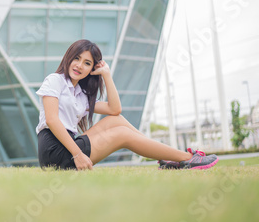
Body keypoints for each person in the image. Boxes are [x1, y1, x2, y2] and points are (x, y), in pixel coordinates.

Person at [36, 39, 219, 170]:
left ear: (92, 70)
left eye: (87, 63)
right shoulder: (55, 80)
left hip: (68, 144)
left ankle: (166, 157)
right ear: (68, 58)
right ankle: (187, 159)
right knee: (122, 134)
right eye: (76, 58)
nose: (79, 66)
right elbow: (52, 120)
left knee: (117, 121)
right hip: (55, 151)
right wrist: (77, 155)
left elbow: (115, 110)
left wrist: (106, 75)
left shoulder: (81, 95)